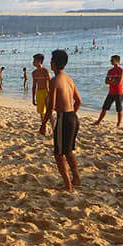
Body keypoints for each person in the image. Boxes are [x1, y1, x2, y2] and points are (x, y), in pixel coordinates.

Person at [40, 50, 82, 192]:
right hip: (73, 118)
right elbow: (79, 102)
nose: (50, 62)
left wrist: (43, 124)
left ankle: (68, 185)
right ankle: (76, 178)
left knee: (58, 154)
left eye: (51, 60)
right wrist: (71, 115)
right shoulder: (69, 79)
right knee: (68, 151)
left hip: (64, 118)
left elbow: (50, 107)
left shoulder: (54, 81)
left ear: (54, 63)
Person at [93, 55, 123, 127]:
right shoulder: (110, 71)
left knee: (119, 109)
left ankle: (118, 123)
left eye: (112, 60)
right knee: (104, 108)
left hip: (118, 92)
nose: (110, 61)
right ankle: (98, 121)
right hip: (111, 93)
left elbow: (118, 83)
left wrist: (111, 80)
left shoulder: (121, 70)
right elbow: (106, 82)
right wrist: (113, 81)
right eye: (110, 60)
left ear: (117, 61)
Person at [32, 54, 52, 127]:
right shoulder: (34, 73)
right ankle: (44, 127)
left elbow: (51, 83)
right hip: (39, 92)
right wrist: (33, 98)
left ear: (39, 61)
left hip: (46, 92)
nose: (33, 62)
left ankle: (53, 128)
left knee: (49, 112)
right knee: (41, 112)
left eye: (34, 60)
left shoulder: (45, 71)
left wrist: (51, 94)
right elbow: (34, 86)